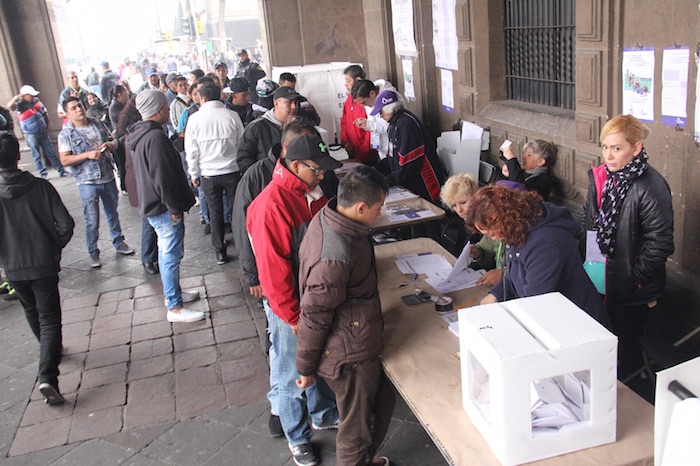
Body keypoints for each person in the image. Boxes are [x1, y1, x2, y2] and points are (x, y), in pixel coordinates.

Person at [247, 134, 342, 466]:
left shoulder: (309, 191)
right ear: (296, 165)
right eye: (316, 170)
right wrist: (293, 317)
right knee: (292, 371)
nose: (321, 176)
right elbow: (274, 276)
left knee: (317, 359)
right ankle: (297, 437)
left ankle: (323, 412)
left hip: (315, 297)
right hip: (291, 305)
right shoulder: (271, 205)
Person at [296, 165, 394, 466]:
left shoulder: (334, 217)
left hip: (353, 337)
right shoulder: (335, 256)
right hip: (348, 353)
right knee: (356, 430)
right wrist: (305, 367)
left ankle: (363, 460)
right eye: (378, 209)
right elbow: (314, 314)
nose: (379, 215)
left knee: (378, 405)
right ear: (361, 206)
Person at [582, 114, 674, 379]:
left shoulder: (651, 186)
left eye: (617, 148)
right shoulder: (602, 178)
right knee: (605, 347)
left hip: (631, 290)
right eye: (605, 147)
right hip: (600, 278)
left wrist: (634, 278)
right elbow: (589, 224)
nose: (609, 155)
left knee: (628, 353)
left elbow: (660, 243)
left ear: (636, 148)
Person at [0, 131, 75, 405]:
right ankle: (48, 374)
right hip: (43, 263)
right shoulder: (41, 187)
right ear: (18, 154)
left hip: (14, 267)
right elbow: (66, 225)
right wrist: (53, 248)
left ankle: (49, 352)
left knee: (32, 311)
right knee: (50, 319)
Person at [470, 185, 609, 327]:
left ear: (506, 220)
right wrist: (496, 295)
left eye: (492, 233)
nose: (493, 239)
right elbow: (515, 274)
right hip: (555, 319)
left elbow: (535, 303)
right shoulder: (517, 230)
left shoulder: (545, 243)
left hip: (579, 326)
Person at [126, 90, 204, 323]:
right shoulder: (155, 138)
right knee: (170, 254)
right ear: (159, 110)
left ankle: (174, 294)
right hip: (163, 208)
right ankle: (174, 306)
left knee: (167, 252)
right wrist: (174, 207)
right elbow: (163, 177)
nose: (168, 111)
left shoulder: (142, 134)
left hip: (154, 205)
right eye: (166, 108)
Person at [58, 96, 135, 268]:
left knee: (112, 212)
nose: (79, 110)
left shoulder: (97, 124)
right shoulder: (66, 134)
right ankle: (93, 251)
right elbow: (64, 159)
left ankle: (118, 241)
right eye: (73, 108)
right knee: (91, 218)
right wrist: (87, 155)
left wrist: (110, 145)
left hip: (106, 176)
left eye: (80, 106)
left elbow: (114, 141)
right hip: (87, 181)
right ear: (67, 113)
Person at [185, 82, 244, 265]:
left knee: (215, 212)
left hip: (208, 174)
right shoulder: (232, 116)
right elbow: (242, 143)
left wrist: (194, 174)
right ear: (220, 95)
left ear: (202, 98)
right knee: (237, 211)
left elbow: (191, 151)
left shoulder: (194, 120)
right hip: (233, 171)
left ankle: (220, 250)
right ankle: (243, 247)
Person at [370, 90, 446, 204]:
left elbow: (409, 165)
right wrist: (374, 170)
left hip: (425, 185)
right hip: (409, 182)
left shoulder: (407, 124)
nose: (380, 115)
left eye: (381, 111)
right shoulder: (393, 124)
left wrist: (386, 182)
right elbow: (392, 157)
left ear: (390, 108)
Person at [440, 173, 505, 286]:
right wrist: (478, 252)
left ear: (476, 197)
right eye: (454, 206)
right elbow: (487, 246)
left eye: (463, 203)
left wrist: (503, 273)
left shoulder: (493, 220)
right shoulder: (467, 224)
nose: (459, 210)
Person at [6, 85, 68, 179]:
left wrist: (47, 127)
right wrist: (16, 98)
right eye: (30, 95)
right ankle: (42, 173)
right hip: (30, 133)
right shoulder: (19, 104)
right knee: (36, 154)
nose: (32, 97)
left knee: (51, 152)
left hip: (42, 132)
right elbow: (10, 106)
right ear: (25, 95)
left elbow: (44, 114)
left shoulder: (36, 101)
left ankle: (61, 170)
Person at [237, 86, 299, 174]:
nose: (293, 107)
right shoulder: (256, 128)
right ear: (276, 103)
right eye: (289, 102)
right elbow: (244, 158)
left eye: (295, 103)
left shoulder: (300, 127)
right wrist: (260, 179)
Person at [351, 78, 400, 161]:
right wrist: (366, 123)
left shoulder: (389, 100)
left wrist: (370, 125)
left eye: (363, 103)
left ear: (372, 93)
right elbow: (373, 120)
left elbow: (393, 128)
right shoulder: (370, 100)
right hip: (381, 150)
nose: (363, 106)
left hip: (394, 150)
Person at [340, 65, 376, 165]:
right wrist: (346, 142)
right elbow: (344, 121)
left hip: (366, 155)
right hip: (353, 150)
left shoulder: (366, 102)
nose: (345, 84)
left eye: (348, 81)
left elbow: (370, 133)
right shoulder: (349, 99)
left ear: (357, 80)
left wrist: (362, 155)